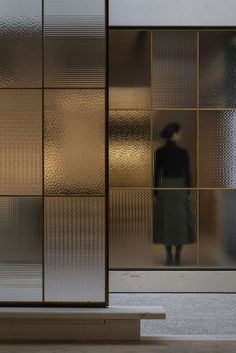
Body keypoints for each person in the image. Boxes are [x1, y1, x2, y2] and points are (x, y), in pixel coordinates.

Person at [153, 122, 195, 266]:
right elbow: (187, 173)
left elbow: (157, 173)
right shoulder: (183, 152)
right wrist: (189, 191)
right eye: (179, 132)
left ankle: (168, 253)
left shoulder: (159, 152)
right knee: (179, 221)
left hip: (165, 187)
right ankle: (178, 254)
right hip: (179, 187)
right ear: (175, 134)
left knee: (166, 220)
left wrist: (155, 192)